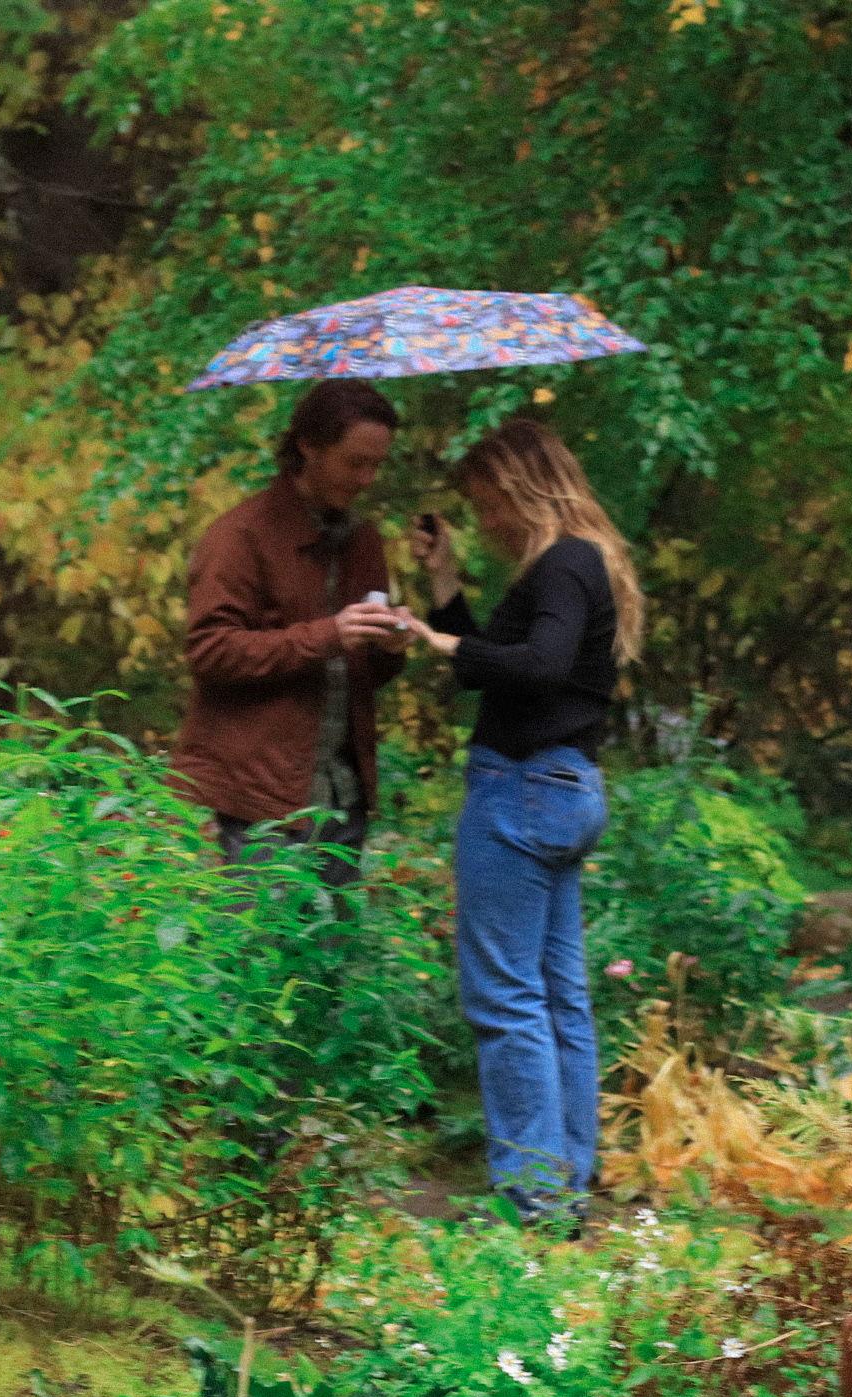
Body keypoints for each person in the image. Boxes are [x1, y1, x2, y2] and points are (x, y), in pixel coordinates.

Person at [401, 418, 645, 1219]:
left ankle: (535, 1198)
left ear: (520, 488)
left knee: (505, 999)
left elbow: (534, 667)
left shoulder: (567, 562)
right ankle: (562, 1182)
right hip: (561, 788)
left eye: (488, 506)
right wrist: (445, 580)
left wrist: (432, 641)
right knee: (554, 995)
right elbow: (502, 673)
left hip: (522, 790)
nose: (488, 524)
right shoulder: (570, 565)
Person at [173, 379, 410, 887]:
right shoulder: (239, 537)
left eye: (378, 464)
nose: (368, 479)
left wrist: (389, 647)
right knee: (260, 957)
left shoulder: (364, 541)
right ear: (309, 447)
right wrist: (327, 634)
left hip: (343, 794)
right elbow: (210, 651)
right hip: (263, 798)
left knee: (330, 962)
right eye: (355, 462)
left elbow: (360, 674)